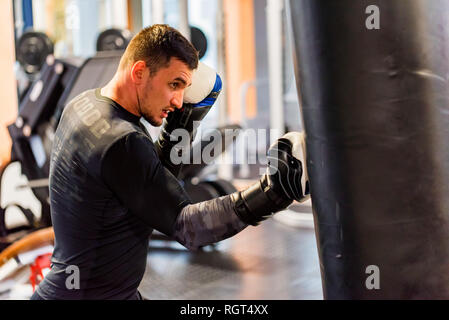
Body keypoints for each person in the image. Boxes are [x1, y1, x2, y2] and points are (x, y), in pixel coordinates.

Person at [30, 24, 307, 300]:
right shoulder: (122, 141)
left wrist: (182, 123)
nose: (179, 100)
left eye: (184, 88)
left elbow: (150, 182)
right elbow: (189, 228)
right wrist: (274, 192)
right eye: (174, 84)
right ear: (139, 72)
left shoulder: (83, 103)